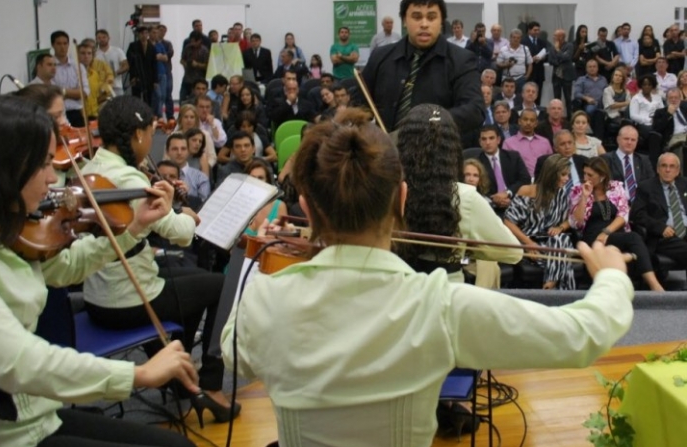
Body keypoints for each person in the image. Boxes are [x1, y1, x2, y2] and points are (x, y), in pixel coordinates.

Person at [221, 106, 635, 447]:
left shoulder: (265, 300)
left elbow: (232, 351)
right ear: (401, 199)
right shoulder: (439, 305)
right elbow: (580, 336)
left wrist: (260, 260)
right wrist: (612, 277)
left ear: (307, 209)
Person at [0, 94, 198, 447]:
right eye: (44, 164)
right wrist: (137, 373)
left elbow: (68, 267)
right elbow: (18, 361)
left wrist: (136, 227)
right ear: (2, 168)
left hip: (38, 416)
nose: (54, 178)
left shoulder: (7, 233)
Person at [79, 96, 241, 425]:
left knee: (193, 275)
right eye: (150, 134)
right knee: (222, 283)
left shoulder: (92, 167)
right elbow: (178, 234)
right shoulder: (128, 178)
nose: (150, 143)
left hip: (98, 294)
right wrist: (189, 217)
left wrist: (168, 202)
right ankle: (209, 384)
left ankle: (177, 368)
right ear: (137, 135)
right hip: (128, 299)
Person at [398, 104, 522, 287]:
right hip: (446, 296)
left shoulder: (384, 191)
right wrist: (468, 247)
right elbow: (512, 253)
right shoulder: (466, 197)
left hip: (396, 293)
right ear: (452, 150)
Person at [361, 0, 485, 133]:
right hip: (385, 150)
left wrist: (432, 120)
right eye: (416, 17)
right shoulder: (380, 56)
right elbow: (359, 103)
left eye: (431, 17)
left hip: (438, 150)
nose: (424, 24)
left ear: (441, 21)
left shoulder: (461, 60)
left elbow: (475, 110)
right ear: (404, 20)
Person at [570, 156, 664, 291]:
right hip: (593, 237)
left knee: (635, 240)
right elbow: (576, 223)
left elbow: (623, 214)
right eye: (584, 173)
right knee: (633, 238)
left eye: (590, 175)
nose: (586, 178)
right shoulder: (578, 191)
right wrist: (584, 197)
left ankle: (645, 283)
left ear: (602, 176)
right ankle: (654, 285)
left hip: (613, 232)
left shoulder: (615, 187)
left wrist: (606, 232)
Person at [505, 154, 575, 289]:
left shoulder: (561, 193)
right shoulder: (528, 191)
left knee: (560, 238)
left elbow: (569, 219)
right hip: (530, 242)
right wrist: (529, 244)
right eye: (563, 175)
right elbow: (508, 222)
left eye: (568, 175)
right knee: (564, 256)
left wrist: (561, 227)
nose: (567, 179)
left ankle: (551, 282)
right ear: (552, 173)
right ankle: (563, 295)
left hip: (552, 244)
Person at [631, 152, 687, 268]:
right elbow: (637, 215)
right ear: (657, 169)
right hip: (665, 236)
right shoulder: (646, 187)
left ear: (677, 171)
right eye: (664, 166)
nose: (667, 170)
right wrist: (660, 228)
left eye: (672, 166)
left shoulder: (684, 184)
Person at [243, 160, 287, 236]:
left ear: (267, 181)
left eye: (260, 178)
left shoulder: (280, 206)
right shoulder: (237, 205)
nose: (256, 182)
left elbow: (283, 238)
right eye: (252, 178)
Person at [175, 103, 217, 169]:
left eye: (192, 117)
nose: (189, 120)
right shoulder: (174, 136)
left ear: (196, 119)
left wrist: (204, 167)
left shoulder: (205, 135)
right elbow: (167, 157)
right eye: (186, 117)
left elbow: (212, 157)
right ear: (181, 119)